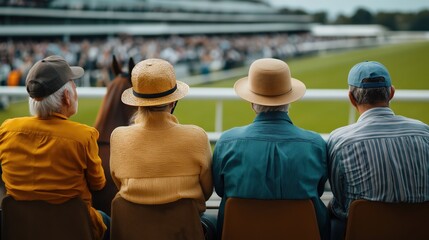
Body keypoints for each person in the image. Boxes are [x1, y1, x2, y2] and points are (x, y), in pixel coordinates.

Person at [212, 58, 330, 240]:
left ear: (252, 103)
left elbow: (221, 190)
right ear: (289, 102)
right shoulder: (315, 144)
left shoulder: (227, 142)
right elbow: (318, 190)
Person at [0, 55, 109, 240]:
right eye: (73, 86)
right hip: (74, 229)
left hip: (22, 229)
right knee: (108, 220)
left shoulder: (6, 129)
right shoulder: (83, 136)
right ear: (67, 97)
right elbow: (98, 184)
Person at [109, 58, 214, 238]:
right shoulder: (197, 136)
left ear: (137, 103)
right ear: (173, 102)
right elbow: (206, 190)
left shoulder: (118, 137)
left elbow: (120, 184)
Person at [327, 61, 429, 240]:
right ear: (391, 93)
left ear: (352, 98)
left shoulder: (340, 141)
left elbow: (341, 202)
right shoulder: (424, 133)